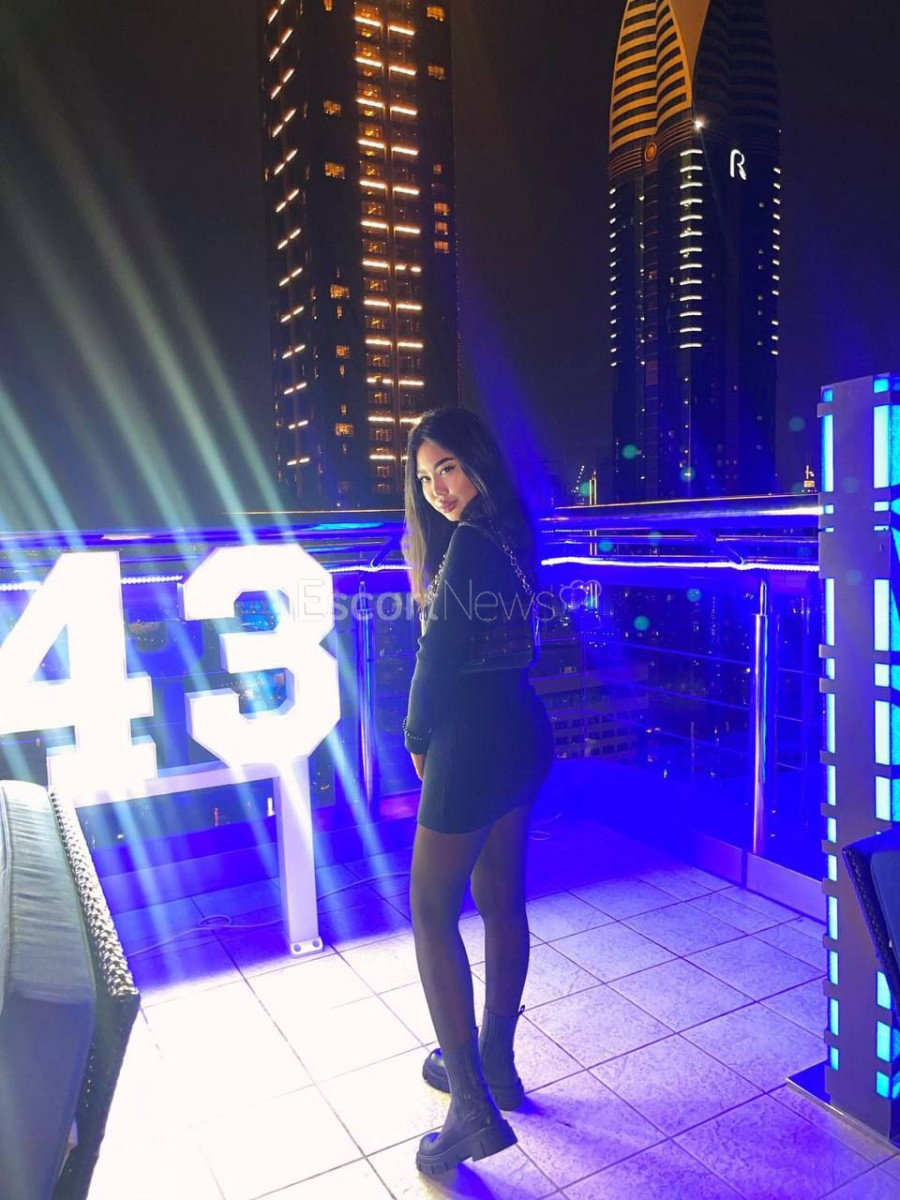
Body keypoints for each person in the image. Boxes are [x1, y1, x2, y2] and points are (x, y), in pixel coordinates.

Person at [400, 407, 555, 1176]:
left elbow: (435, 658)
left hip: (469, 742)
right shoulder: (515, 529)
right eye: (426, 479)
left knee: (431, 908)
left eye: (448, 469)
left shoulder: (465, 542)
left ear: (477, 460)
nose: (439, 490)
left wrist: (414, 736)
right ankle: (496, 1063)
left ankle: (468, 1108)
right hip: (521, 728)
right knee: (499, 900)